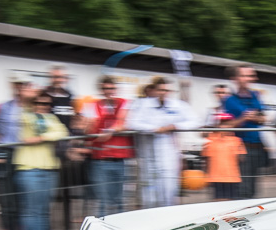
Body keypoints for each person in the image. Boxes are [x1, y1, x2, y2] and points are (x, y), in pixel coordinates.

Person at [128, 76, 200, 208]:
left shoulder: (178, 105)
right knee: (148, 192)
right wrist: (154, 129)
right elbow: (132, 123)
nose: (163, 93)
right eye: (160, 90)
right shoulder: (142, 105)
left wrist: (173, 126)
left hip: (169, 155)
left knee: (169, 190)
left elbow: (194, 121)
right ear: (154, 90)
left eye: (166, 90)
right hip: (148, 155)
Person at [15, 90, 67, 230]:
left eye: (47, 104)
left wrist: (40, 138)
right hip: (29, 167)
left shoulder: (51, 118)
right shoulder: (25, 116)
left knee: (44, 208)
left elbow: (62, 132)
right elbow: (26, 133)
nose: (43, 107)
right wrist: (48, 135)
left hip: (49, 167)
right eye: (39, 103)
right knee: (32, 208)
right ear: (33, 104)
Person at [0, 81, 30, 230]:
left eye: (23, 86)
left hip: (25, 153)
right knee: (7, 197)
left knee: (23, 196)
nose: (20, 89)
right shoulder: (4, 107)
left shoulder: (32, 108)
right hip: (6, 152)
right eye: (17, 85)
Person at [44, 66, 86, 230]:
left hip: (68, 151)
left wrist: (75, 144)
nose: (58, 80)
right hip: (50, 149)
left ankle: (67, 228)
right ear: (51, 78)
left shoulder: (70, 97)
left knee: (68, 192)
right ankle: (50, 228)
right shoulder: (45, 96)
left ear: (65, 79)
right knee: (52, 192)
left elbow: (76, 121)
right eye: (55, 77)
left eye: (61, 77)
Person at [82, 76, 132, 216]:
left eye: (111, 88)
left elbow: (125, 122)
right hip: (99, 160)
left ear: (116, 89)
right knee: (101, 200)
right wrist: (90, 126)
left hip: (119, 160)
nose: (108, 91)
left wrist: (109, 131)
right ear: (101, 90)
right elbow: (87, 130)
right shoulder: (92, 105)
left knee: (120, 199)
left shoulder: (124, 103)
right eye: (105, 88)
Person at [222, 64, 269, 199]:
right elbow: (226, 126)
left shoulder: (256, 96)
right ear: (236, 78)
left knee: (253, 187)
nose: (248, 78)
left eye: (249, 75)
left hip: (257, 147)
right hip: (241, 149)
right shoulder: (229, 100)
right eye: (244, 75)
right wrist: (244, 118)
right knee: (243, 189)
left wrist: (256, 117)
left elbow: (263, 118)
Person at [202, 113, 245, 202]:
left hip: (232, 178)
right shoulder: (211, 139)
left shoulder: (237, 140)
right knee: (219, 201)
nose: (226, 126)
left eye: (229, 124)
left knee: (232, 202)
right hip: (216, 178)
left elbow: (241, 158)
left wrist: (240, 152)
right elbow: (207, 158)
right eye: (223, 124)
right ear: (217, 126)